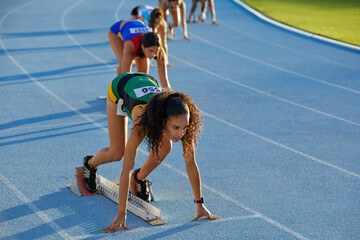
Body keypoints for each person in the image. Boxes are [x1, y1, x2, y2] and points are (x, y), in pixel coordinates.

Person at [82, 72, 220, 232]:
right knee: (117, 153)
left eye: (184, 127)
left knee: (166, 146)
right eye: (175, 128)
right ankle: (90, 164)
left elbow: (191, 163)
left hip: (147, 81)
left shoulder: (180, 120)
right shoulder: (141, 122)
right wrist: (121, 214)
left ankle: (139, 178)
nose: (180, 133)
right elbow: (126, 169)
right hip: (120, 89)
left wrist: (200, 204)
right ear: (162, 121)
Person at [108, 19, 170, 87]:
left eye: (156, 51)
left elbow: (165, 83)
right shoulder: (130, 48)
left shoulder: (160, 51)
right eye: (150, 51)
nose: (153, 55)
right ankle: (115, 89)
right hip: (116, 32)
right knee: (123, 61)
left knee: (143, 74)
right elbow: (125, 77)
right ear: (143, 47)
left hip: (137, 26)